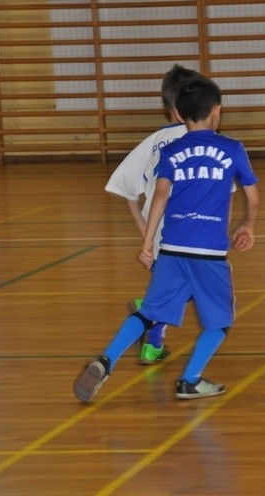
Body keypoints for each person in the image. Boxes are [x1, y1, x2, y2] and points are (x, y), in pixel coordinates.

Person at [74, 76, 260, 402]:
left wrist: (147, 243)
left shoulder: (172, 149)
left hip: (172, 248)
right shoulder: (232, 148)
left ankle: (105, 360)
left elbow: (159, 197)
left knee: (149, 312)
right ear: (216, 112)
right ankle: (190, 380)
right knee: (219, 322)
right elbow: (253, 197)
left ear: (179, 115)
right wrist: (248, 224)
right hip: (209, 253)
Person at [104, 64, 201, 365]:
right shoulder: (206, 141)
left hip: (158, 232)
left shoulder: (151, 143)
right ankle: (147, 323)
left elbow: (126, 191)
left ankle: (151, 339)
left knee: (182, 288)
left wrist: (146, 234)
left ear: (169, 107)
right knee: (199, 288)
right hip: (192, 232)